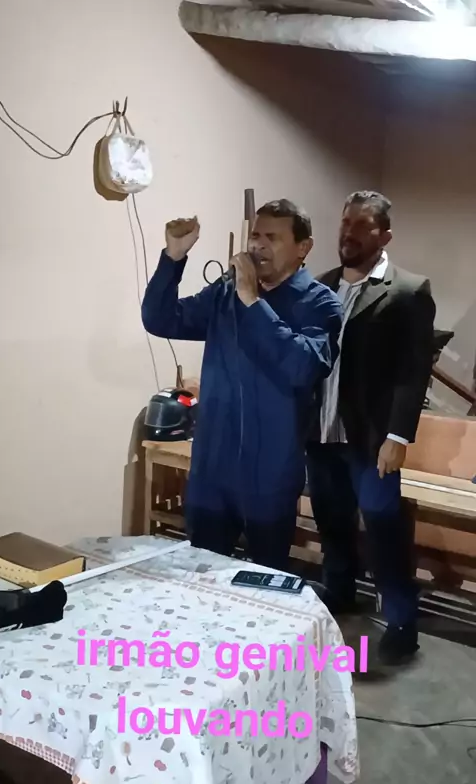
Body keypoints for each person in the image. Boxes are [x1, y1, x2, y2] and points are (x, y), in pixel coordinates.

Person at [142, 199, 342, 570]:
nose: (258, 245)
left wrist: (252, 301)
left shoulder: (320, 303)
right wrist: (173, 257)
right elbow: (161, 319)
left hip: (270, 475)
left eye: (272, 237)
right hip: (212, 469)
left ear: (303, 248)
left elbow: (303, 367)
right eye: (255, 235)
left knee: (263, 583)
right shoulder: (225, 292)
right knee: (202, 574)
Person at [306, 190, 436, 665]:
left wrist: (398, 437)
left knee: (383, 529)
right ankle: (340, 591)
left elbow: (413, 371)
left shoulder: (408, 290)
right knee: (331, 521)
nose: (349, 233)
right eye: (346, 223)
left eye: (362, 225)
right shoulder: (320, 286)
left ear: (385, 236)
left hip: (373, 439)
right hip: (322, 433)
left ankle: (401, 620)